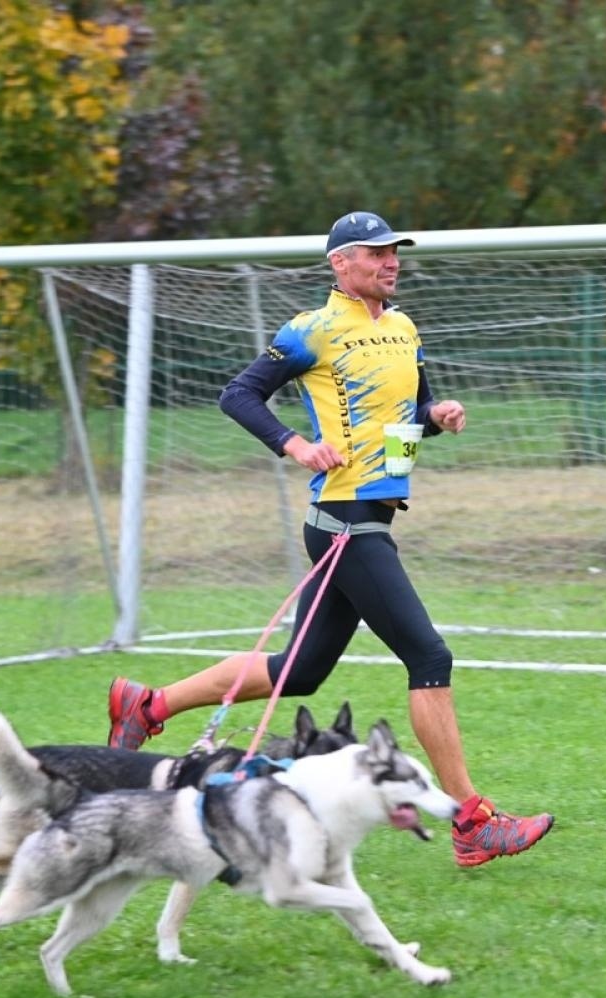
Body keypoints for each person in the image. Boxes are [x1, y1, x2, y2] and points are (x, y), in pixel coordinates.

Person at [107, 210, 553, 868]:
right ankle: (471, 821)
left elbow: (411, 414)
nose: (390, 261)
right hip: (345, 520)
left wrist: (436, 415)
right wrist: (295, 444)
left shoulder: (404, 328)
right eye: (376, 253)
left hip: (371, 517)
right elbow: (238, 395)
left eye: (394, 251)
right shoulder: (311, 329)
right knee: (429, 655)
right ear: (340, 263)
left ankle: (147, 705)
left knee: (299, 671)